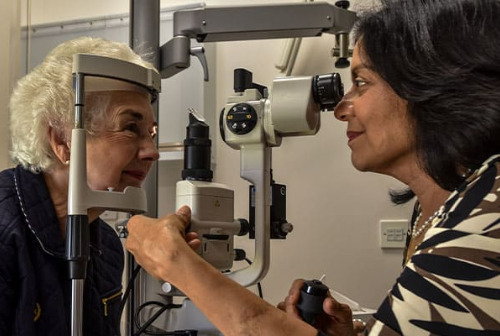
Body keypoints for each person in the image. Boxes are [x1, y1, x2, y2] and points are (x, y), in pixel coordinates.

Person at [125, 0, 500, 335]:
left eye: (361, 83)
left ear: (430, 82)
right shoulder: (440, 205)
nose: (340, 108)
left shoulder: (488, 220)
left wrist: (177, 263)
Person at [0, 36, 160, 335]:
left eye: (151, 132)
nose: (152, 151)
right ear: (62, 139)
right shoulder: (6, 233)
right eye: (130, 128)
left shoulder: (107, 246)